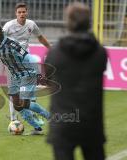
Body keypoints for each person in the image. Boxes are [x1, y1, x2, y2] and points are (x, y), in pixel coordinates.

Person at [45, 2, 107, 160]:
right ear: (88, 22)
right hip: (91, 123)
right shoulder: (100, 52)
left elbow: (48, 80)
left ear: (69, 22)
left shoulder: (55, 52)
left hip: (63, 124)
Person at [0, 25, 50, 135]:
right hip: (14, 76)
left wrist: (39, 73)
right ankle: (37, 127)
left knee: (25, 103)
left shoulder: (12, 44)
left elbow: (27, 56)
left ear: (1, 34)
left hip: (27, 73)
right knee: (17, 105)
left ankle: (51, 117)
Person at [3, 2, 51, 123]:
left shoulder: (31, 24)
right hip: (12, 63)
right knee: (14, 92)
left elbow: (40, 37)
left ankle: (37, 119)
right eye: (19, 12)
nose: (22, 14)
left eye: (24, 12)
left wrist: (50, 47)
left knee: (29, 94)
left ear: (27, 12)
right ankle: (14, 120)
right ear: (16, 14)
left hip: (26, 62)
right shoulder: (8, 26)